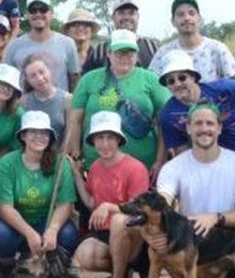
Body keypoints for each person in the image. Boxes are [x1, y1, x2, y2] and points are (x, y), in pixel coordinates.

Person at [146, 103, 235, 278]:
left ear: (219, 128)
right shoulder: (174, 167)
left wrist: (215, 218)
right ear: (188, 128)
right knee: (163, 242)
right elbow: (162, 202)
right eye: (198, 123)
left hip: (231, 245)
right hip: (193, 247)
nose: (204, 129)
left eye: (210, 123)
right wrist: (157, 235)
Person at [71, 111, 152, 278]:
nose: (105, 143)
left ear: (118, 140)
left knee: (118, 221)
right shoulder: (96, 167)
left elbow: (140, 211)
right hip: (106, 234)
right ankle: (123, 271)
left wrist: (110, 207)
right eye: (99, 137)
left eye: (110, 138)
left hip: (135, 235)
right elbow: (92, 203)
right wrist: (76, 175)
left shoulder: (135, 168)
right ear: (93, 141)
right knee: (84, 255)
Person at [0, 110, 78, 278]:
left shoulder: (61, 164)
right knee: (0, 233)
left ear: (51, 137)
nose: (39, 137)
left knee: (68, 233)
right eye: (33, 132)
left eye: (44, 133)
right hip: (16, 223)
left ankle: (55, 265)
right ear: (23, 135)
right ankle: (8, 265)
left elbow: (65, 203)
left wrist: (52, 229)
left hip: (46, 220)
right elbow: (5, 207)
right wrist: (29, 233)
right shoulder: (8, 162)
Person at [67, 30, 171, 173]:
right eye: (119, 52)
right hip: (96, 165)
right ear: (108, 53)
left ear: (137, 54)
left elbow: (164, 122)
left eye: (130, 52)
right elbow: (75, 120)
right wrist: (77, 156)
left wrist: (160, 161)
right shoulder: (89, 79)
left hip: (142, 165)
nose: (125, 57)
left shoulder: (151, 80)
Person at [157, 51, 235, 157]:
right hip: (207, 160)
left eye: (182, 78)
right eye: (171, 81)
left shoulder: (227, 88)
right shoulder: (168, 114)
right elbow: (181, 150)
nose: (177, 84)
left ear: (193, 77)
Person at [3, 0, 81, 91]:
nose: (38, 14)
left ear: (52, 13)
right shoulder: (14, 46)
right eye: (33, 10)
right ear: (27, 14)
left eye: (43, 9)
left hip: (59, 106)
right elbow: (7, 82)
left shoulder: (67, 44)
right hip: (24, 106)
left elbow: (74, 80)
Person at [149, 0, 235, 80]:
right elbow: (151, 83)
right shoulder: (164, 53)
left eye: (191, 13)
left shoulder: (217, 49)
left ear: (200, 19)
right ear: (173, 21)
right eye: (180, 14)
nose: (187, 18)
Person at [85, 0, 160, 72]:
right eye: (121, 13)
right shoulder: (100, 50)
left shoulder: (153, 47)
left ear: (138, 17)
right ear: (113, 17)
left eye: (131, 13)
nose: (126, 17)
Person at [20, 54, 69, 141]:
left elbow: (70, 133)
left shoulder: (67, 99)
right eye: (33, 76)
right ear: (27, 80)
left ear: (49, 71)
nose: (39, 78)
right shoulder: (23, 101)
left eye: (41, 72)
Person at [61, 8, 100, 77]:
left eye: (86, 24)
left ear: (91, 30)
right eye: (75, 24)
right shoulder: (61, 56)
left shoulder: (99, 56)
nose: (81, 28)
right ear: (68, 30)